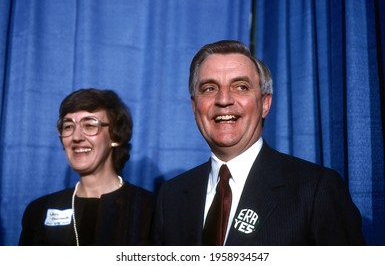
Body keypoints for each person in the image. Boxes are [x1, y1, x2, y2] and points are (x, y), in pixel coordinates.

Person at [152, 40, 365, 245]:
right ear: (194, 106)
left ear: (265, 104)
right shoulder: (170, 197)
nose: (224, 100)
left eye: (241, 87)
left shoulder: (316, 189)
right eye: (209, 88)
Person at [19, 88, 154, 246]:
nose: (76, 137)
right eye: (68, 127)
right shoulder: (39, 211)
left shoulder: (149, 209)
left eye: (89, 125)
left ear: (115, 136)